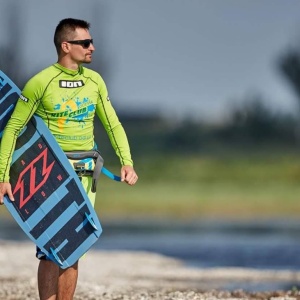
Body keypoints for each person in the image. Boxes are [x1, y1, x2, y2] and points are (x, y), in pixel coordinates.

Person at [0, 18, 138, 300]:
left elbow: (113, 125)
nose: (92, 48)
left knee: (74, 244)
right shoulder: (41, 82)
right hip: (51, 172)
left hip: (85, 172)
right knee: (50, 248)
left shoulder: (94, 81)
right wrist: (2, 177)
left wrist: (127, 162)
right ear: (66, 46)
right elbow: (13, 128)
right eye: (85, 43)